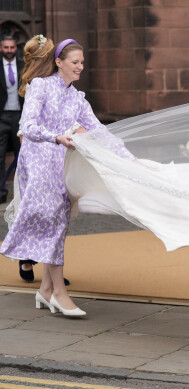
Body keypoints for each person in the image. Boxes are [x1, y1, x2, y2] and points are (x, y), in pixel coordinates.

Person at [0, 38, 134, 317]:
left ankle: (46, 291)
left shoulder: (78, 98)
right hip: (37, 160)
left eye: (82, 63)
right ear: (59, 63)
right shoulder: (41, 86)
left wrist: (130, 159)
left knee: (59, 222)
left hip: (63, 164)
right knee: (51, 221)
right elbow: (28, 126)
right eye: (75, 62)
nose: (80, 67)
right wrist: (56, 136)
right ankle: (60, 293)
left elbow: (98, 130)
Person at [8, 35, 72, 286]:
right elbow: (28, 124)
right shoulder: (34, 84)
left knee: (52, 213)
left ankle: (51, 271)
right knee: (31, 207)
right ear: (47, 59)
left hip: (53, 151)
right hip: (35, 152)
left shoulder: (55, 84)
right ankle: (27, 258)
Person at [0, 36, 24, 204]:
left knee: (21, 156)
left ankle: (21, 193)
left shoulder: (23, 66)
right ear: (1, 48)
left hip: (20, 117)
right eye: (6, 47)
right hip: (1, 117)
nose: (9, 50)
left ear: (16, 48)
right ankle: (1, 192)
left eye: (12, 47)